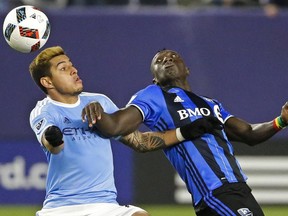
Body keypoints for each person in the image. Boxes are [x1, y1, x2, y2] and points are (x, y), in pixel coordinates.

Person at [82, 49, 288, 216]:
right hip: (213, 191)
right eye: (160, 60)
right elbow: (116, 126)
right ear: (154, 78)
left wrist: (281, 121)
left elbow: (248, 133)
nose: (168, 59)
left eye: (174, 57)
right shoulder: (153, 95)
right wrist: (98, 111)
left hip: (239, 189)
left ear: (187, 69)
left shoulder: (211, 104)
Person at [28, 46, 223, 216]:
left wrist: (186, 131)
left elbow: (141, 142)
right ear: (48, 82)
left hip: (104, 206)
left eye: (71, 64)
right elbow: (52, 144)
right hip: (62, 209)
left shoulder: (100, 102)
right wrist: (53, 138)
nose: (74, 70)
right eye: (63, 68)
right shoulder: (44, 110)